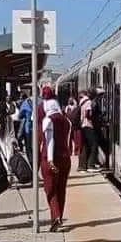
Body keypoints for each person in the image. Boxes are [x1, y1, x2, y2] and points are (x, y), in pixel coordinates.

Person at [41, 98, 71, 231]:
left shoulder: (48, 120)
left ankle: (56, 216)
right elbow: (68, 140)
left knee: (50, 189)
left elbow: (49, 140)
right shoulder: (67, 121)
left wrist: (50, 160)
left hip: (50, 158)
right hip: (66, 158)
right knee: (61, 189)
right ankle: (57, 217)